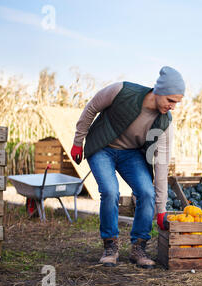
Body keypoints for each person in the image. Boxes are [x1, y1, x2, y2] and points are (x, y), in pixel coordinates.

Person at [71, 66, 185, 268]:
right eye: (171, 100)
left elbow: (161, 165)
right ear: (159, 91)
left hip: (131, 154)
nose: (173, 106)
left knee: (146, 193)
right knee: (110, 191)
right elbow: (91, 108)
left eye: (177, 102)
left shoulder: (164, 122)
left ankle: (138, 247)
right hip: (102, 147)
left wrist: (161, 209)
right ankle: (110, 246)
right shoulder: (122, 91)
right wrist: (78, 141)